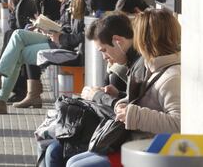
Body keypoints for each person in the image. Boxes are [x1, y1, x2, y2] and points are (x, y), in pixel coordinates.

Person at [66, 8, 181, 167]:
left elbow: (179, 125)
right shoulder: (153, 68)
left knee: (78, 165)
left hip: (151, 151)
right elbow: (145, 102)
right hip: (138, 144)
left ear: (144, 39)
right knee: (73, 161)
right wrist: (122, 101)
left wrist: (133, 114)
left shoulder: (172, 76)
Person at [44, 13, 140, 167]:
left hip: (129, 141)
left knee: (64, 157)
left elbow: (132, 112)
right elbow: (136, 102)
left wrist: (99, 96)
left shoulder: (144, 67)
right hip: (120, 135)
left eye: (103, 50)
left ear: (118, 41)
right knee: (55, 150)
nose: (104, 57)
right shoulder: (135, 64)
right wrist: (117, 95)